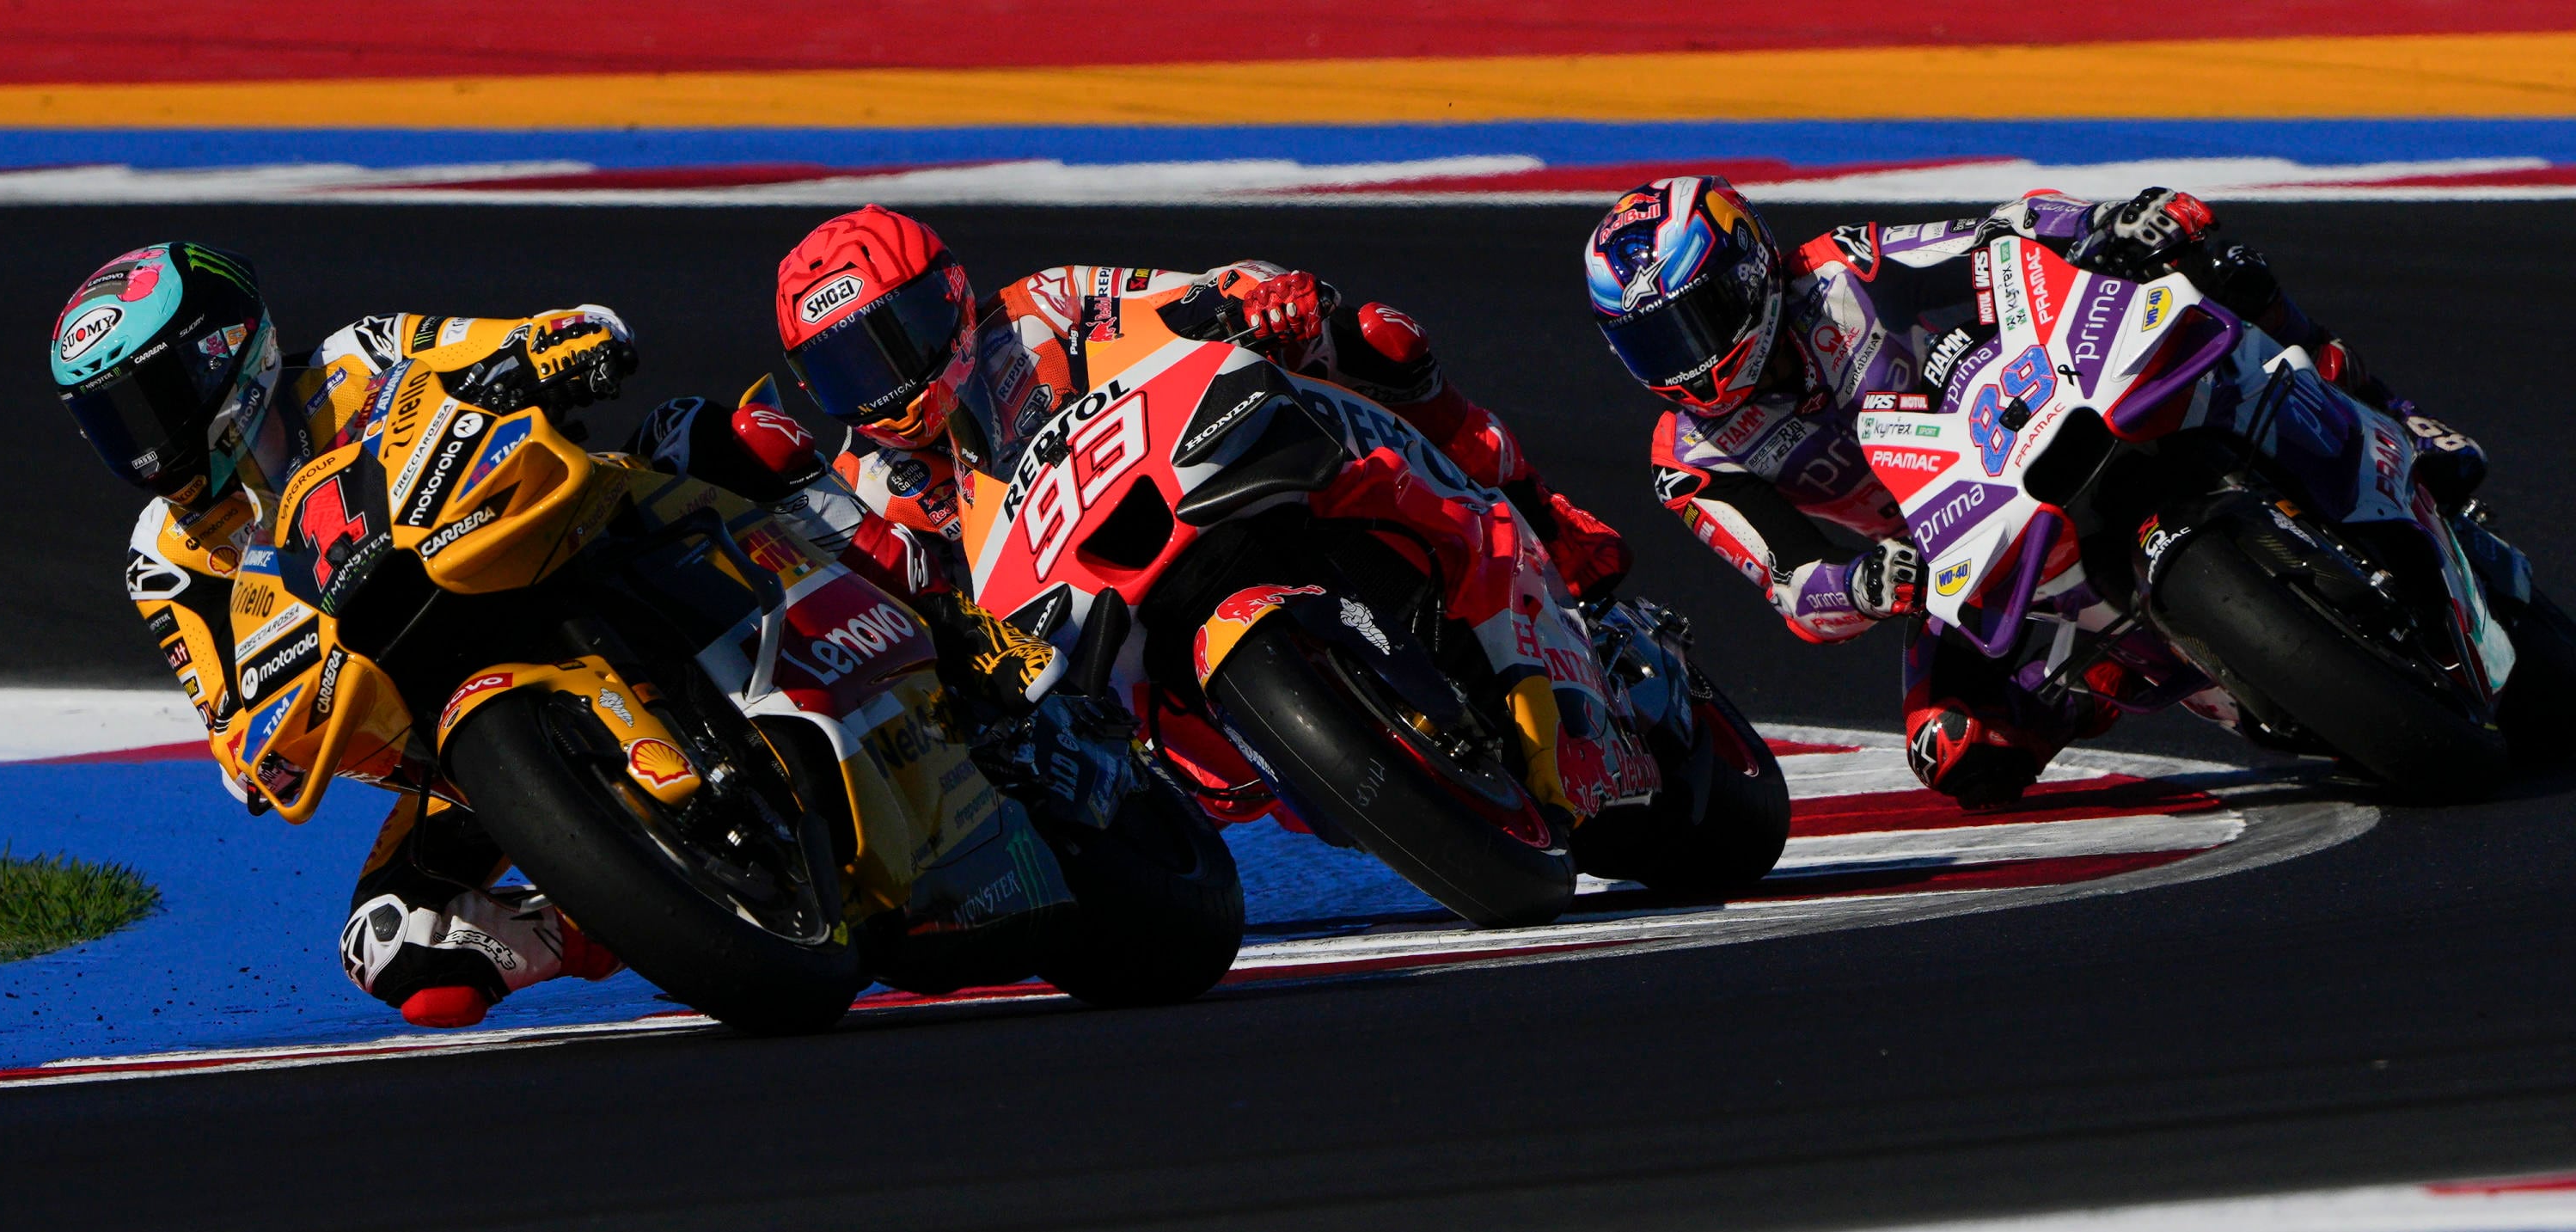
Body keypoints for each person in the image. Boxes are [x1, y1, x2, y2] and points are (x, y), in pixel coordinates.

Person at [1583, 177, 2495, 805]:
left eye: (1694, 320)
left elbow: (1992, 240)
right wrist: (1867, 583)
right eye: (1654, 345)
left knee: (2219, 267)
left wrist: (2109, 225)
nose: (1691, 361)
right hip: (1948, 549)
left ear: (1748, 266)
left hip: (2026, 410)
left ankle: (2397, 418)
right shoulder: (1691, 455)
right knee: (1957, 753)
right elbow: (1787, 582)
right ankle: (2120, 665)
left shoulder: (1842, 269)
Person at [739, 205, 1637, 815]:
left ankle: (1545, 522)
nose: (885, 389)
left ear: (943, 300)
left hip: (1197, 474)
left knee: (1378, 338)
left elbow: (1184, 295)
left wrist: (1257, 299)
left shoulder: (1037, 311)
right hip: (1093, 630)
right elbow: (906, 605)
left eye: (888, 344)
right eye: (846, 371)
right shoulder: (872, 482)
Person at [51, 241, 640, 1027]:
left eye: (151, 398)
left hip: (562, 567)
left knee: (711, 437)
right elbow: (228, 721)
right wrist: (260, 759)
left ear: (221, 349)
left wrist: (564, 343)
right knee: (397, 951)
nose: (143, 443)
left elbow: (528, 335)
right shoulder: (162, 556)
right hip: (452, 742)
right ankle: (619, 919)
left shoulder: (356, 357)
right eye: (114, 420)